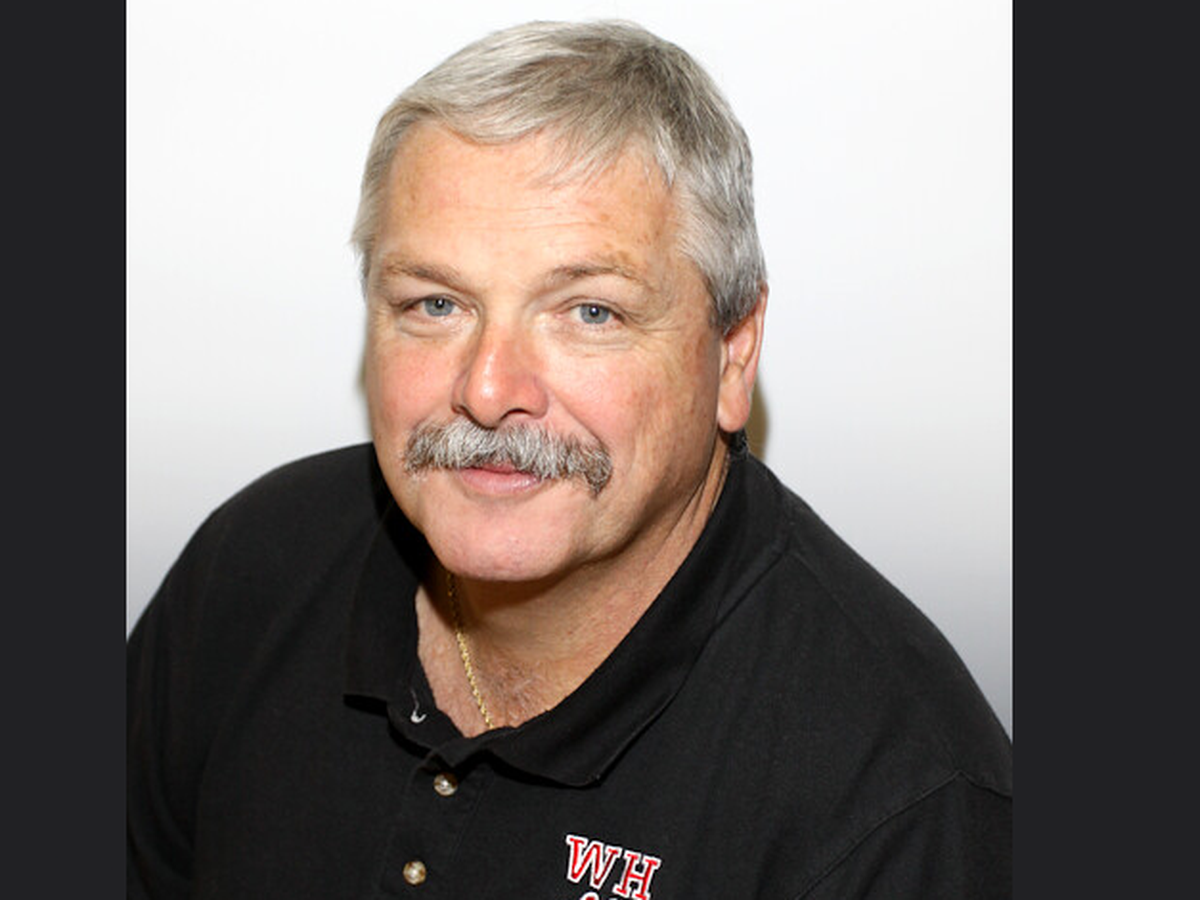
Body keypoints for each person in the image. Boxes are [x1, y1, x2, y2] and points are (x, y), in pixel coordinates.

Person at [127, 19, 1012, 899]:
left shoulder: (902, 803)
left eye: (590, 312)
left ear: (733, 357)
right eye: (436, 304)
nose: (487, 389)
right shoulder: (247, 576)